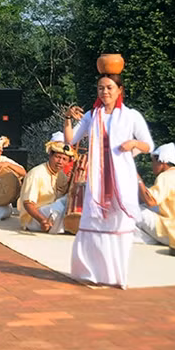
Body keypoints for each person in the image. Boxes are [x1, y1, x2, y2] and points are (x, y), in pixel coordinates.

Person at [64, 71, 153, 288]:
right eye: (101, 88)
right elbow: (71, 140)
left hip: (121, 178)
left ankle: (116, 277)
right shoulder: (92, 116)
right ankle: (90, 274)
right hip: (97, 180)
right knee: (91, 225)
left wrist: (133, 144)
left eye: (109, 87)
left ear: (119, 90)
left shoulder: (131, 116)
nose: (105, 92)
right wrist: (67, 117)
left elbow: (148, 145)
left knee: (119, 226)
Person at [17, 132, 74, 233]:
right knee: (61, 206)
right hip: (33, 218)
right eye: (57, 157)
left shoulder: (61, 175)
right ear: (50, 155)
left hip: (51, 212)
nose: (60, 162)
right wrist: (42, 220)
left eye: (64, 159)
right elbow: (28, 203)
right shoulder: (36, 173)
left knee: (69, 200)